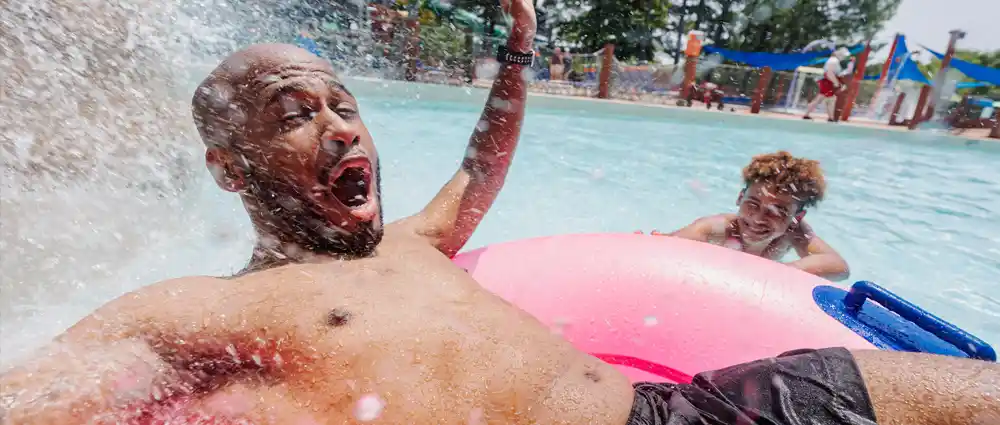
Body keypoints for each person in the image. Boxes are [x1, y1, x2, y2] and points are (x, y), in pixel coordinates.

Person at [3, 4, 998, 423]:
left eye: (344, 104)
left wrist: (516, 56)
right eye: (295, 114)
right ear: (229, 169)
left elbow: (480, 172)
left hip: (681, 411)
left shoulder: (410, 242)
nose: (342, 129)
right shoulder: (193, 310)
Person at [665, 151, 850, 280]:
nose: (758, 219)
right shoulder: (719, 227)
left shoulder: (794, 233)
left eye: (777, 212)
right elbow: (669, 247)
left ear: (797, 218)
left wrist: (780, 272)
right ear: (739, 198)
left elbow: (838, 267)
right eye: (752, 204)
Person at [803, 47, 852, 122]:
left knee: (827, 99)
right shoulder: (833, 61)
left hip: (828, 81)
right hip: (827, 82)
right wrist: (836, 83)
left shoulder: (834, 61)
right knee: (824, 99)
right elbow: (829, 73)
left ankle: (830, 117)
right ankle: (828, 117)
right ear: (839, 54)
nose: (844, 57)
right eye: (843, 55)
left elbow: (833, 73)